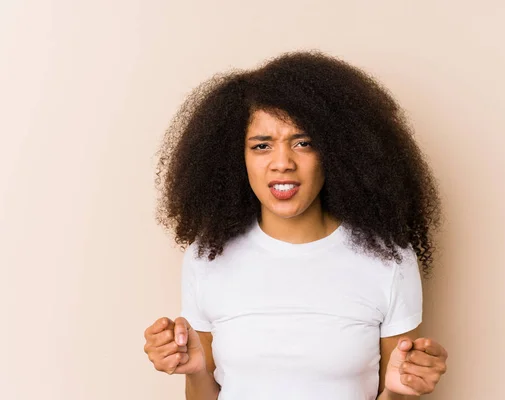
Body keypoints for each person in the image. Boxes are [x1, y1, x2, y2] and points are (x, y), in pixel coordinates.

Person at [143, 51, 448, 400]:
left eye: (303, 143)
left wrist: (400, 392)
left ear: (336, 152)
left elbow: (397, 388)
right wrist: (195, 371)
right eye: (261, 146)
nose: (282, 163)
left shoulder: (389, 259)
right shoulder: (206, 257)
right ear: (235, 158)